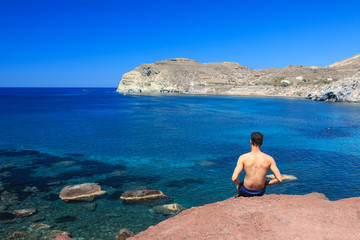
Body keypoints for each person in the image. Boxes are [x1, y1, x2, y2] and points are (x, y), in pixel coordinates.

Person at [232, 132, 282, 197]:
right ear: (261, 144)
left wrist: (241, 184)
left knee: (238, 186)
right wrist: (265, 183)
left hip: (246, 191)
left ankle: (239, 197)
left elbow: (234, 178)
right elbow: (279, 179)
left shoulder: (243, 157)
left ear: (250, 142)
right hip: (260, 191)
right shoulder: (269, 159)